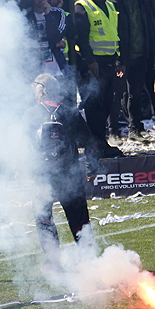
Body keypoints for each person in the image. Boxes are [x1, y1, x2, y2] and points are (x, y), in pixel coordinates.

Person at [26, 73, 100, 270]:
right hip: (71, 174)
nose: (34, 93)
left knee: (43, 219)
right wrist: (92, 167)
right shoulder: (70, 112)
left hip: (42, 177)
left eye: (35, 89)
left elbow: (22, 148)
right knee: (79, 220)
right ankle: (89, 259)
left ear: (42, 90)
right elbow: (90, 143)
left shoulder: (31, 114)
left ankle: (54, 261)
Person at [74, 0, 125, 157]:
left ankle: (102, 142)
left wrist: (119, 59)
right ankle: (95, 145)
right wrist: (90, 61)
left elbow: (115, 35)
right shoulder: (82, 7)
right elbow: (81, 38)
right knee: (94, 105)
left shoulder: (110, 5)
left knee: (107, 104)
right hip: (93, 64)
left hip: (110, 62)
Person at [106, 0, 155, 143]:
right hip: (122, 57)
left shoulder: (141, 0)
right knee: (116, 95)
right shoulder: (112, 1)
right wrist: (117, 58)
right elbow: (111, 30)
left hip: (140, 55)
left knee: (135, 94)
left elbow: (151, 28)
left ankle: (134, 129)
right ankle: (113, 131)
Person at [25, 0, 76, 78]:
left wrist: (48, 14)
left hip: (58, 70)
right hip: (35, 71)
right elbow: (28, 45)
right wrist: (54, 45)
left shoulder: (58, 13)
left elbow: (56, 37)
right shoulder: (25, 16)